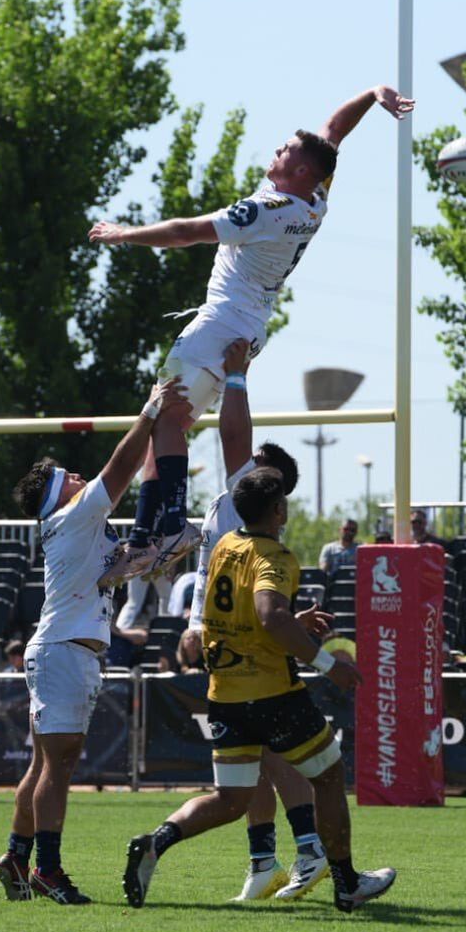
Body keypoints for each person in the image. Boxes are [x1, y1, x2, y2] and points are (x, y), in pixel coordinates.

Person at [89, 83, 415, 581]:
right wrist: (372, 95)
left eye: (285, 150)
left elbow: (185, 232)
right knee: (165, 422)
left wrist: (122, 234)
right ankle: (147, 534)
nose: (277, 149)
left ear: (301, 171)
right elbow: (332, 134)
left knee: (165, 418)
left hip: (219, 323)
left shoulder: (264, 213)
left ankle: (170, 526)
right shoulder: (313, 199)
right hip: (247, 325)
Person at [122, 468, 395, 913]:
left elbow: (241, 613)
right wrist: (327, 665)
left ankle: (157, 841)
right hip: (271, 692)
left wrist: (292, 621)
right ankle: (346, 883)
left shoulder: (226, 546)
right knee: (327, 775)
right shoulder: (278, 557)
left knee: (231, 799)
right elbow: (268, 613)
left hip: (225, 693)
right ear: (278, 510)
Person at [0, 378, 187, 905]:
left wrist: (159, 552)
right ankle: (47, 870)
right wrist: (149, 414)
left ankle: (17, 856)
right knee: (59, 764)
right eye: (67, 477)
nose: (78, 478)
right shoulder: (72, 515)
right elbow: (120, 471)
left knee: (44, 763)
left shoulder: (73, 526)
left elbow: (114, 570)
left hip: (62, 648)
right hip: (65, 650)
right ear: (58, 494)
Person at [183, 340, 328, 902]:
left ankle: (310, 851)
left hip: (250, 645)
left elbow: (233, 435)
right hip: (227, 641)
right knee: (250, 760)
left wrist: (237, 375)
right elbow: (206, 564)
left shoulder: (252, 503)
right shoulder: (228, 504)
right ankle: (265, 860)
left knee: (273, 753)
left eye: (258, 468)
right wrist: (194, 620)